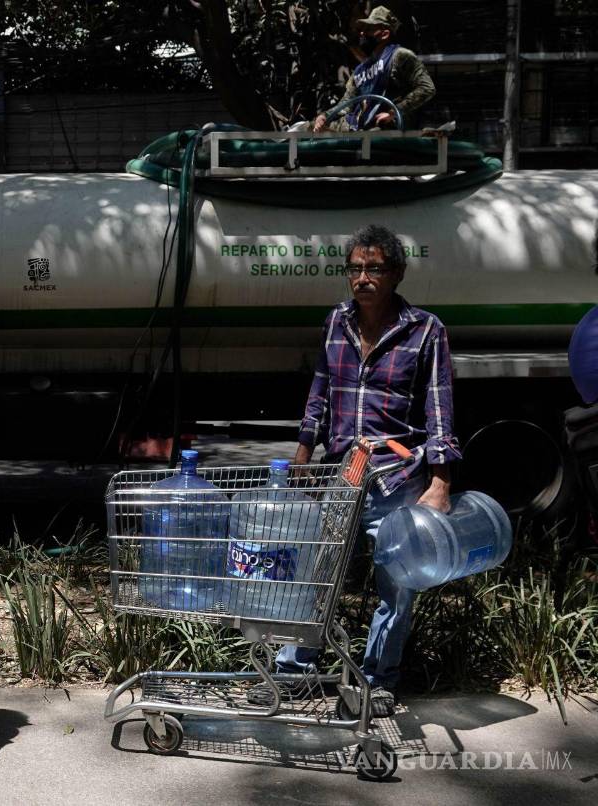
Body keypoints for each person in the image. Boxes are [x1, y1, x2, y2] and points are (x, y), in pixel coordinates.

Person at [249, 223, 460, 717]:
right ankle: (293, 673)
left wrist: (441, 481)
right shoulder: (337, 321)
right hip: (341, 479)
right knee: (317, 578)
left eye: (374, 268)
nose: (363, 278)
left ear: (397, 273)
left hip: (396, 482)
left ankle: (377, 679)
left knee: (398, 587)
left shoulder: (425, 330)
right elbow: (320, 392)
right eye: (356, 268)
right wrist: (303, 454)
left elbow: (438, 408)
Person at [313, 6, 435, 132]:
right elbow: (346, 104)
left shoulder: (400, 55)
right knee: (307, 128)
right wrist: (325, 116)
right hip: (362, 131)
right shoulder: (360, 69)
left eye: (369, 29)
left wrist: (394, 112)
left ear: (385, 34)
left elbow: (427, 88)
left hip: (388, 132)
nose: (362, 33)